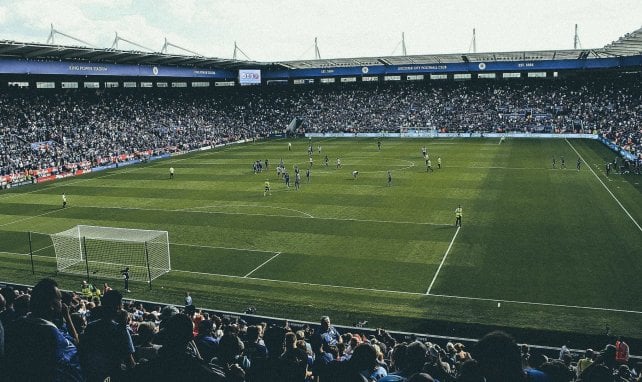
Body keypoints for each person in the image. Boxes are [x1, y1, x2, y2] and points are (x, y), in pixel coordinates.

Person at [3, 278, 84, 381]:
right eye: (59, 300)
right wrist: (67, 316)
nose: (62, 303)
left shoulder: (14, 325)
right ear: (52, 306)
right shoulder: (53, 337)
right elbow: (75, 352)